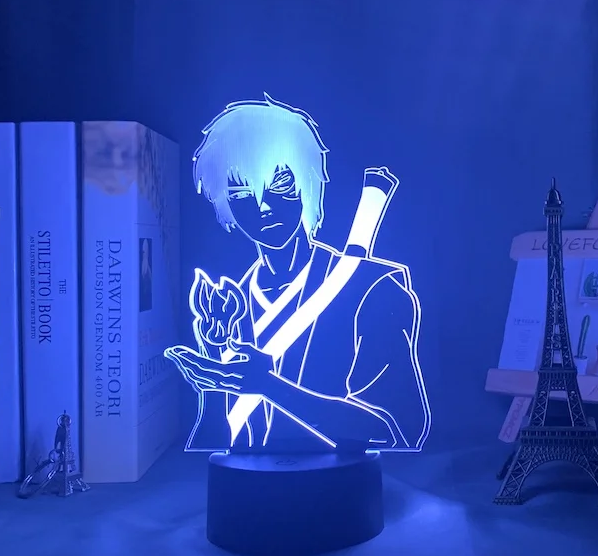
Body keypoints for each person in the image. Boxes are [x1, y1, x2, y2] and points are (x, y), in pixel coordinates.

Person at [165, 96, 430, 453]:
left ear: (308, 184)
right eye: (241, 192)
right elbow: (213, 450)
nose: (262, 205)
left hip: (344, 481)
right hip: (248, 484)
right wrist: (213, 386)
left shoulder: (372, 289)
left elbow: (398, 434)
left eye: (280, 186)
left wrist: (269, 387)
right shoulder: (230, 307)